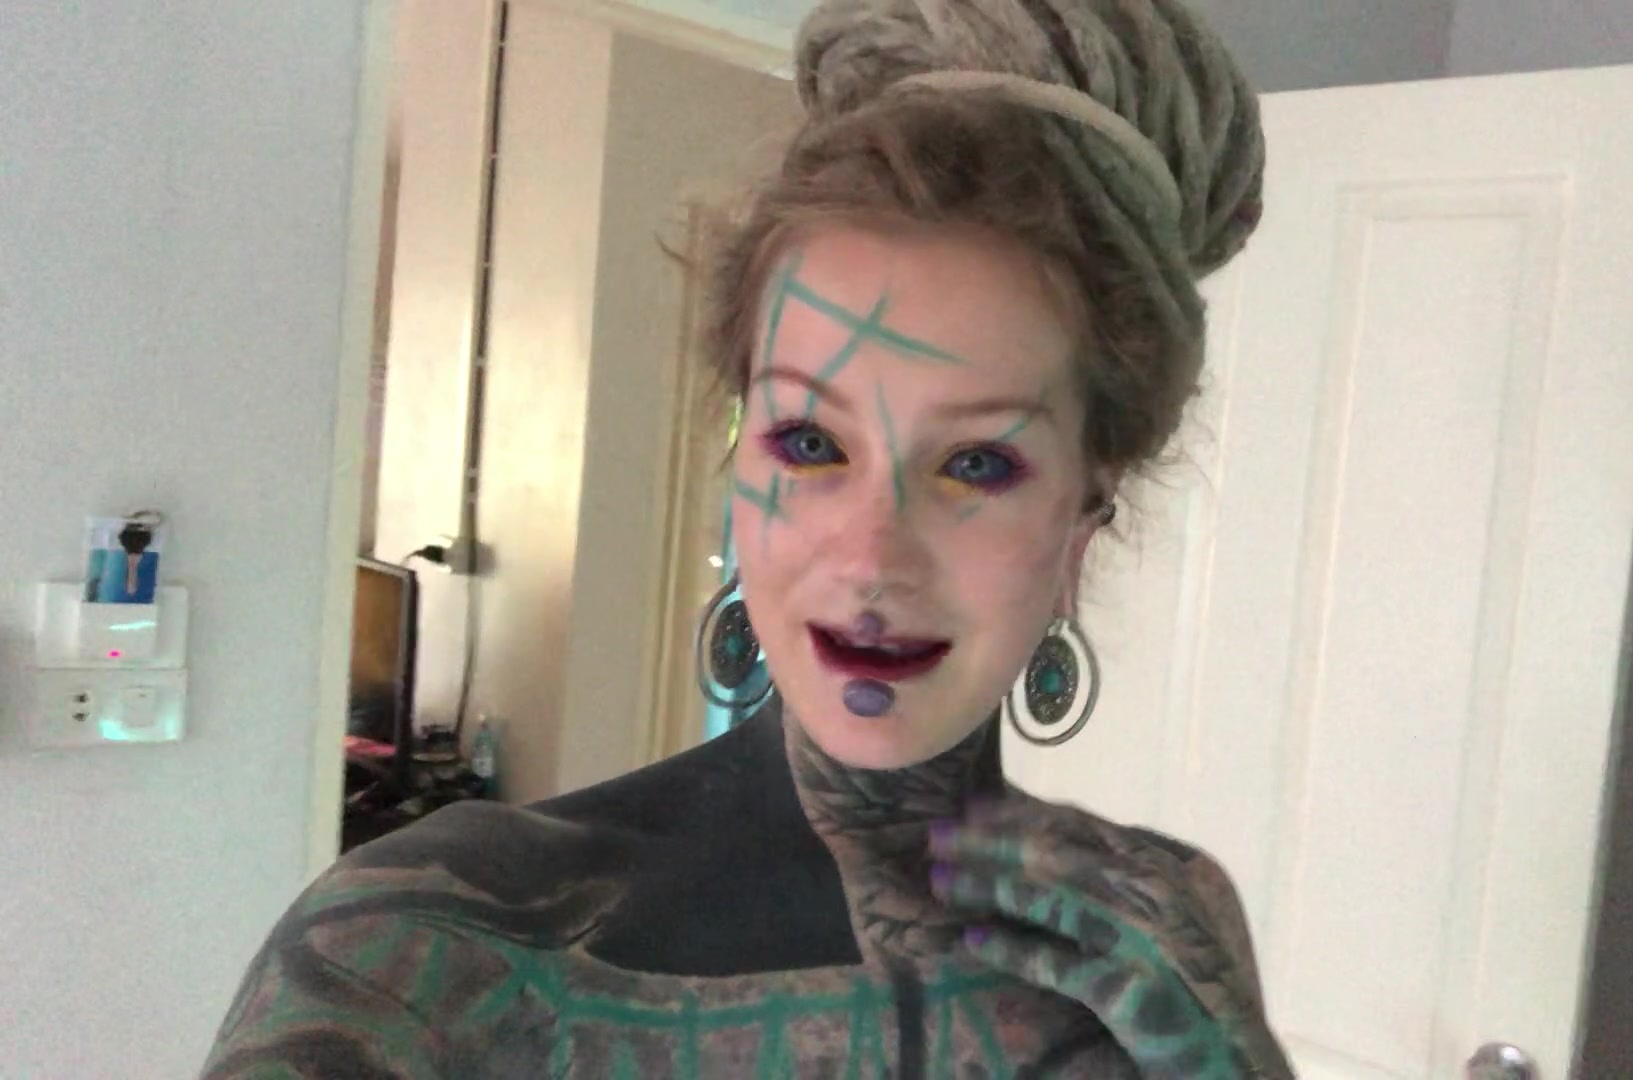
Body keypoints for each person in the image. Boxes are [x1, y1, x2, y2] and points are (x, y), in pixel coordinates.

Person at [204, 0, 1288, 1074]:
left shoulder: (1157, 941)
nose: (871, 560)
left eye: (977, 465)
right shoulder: (430, 942)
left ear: (1086, 515)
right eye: (812, 444)